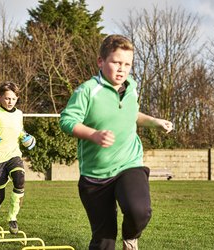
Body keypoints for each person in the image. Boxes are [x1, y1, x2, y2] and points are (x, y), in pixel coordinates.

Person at [59, 34, 173, 250]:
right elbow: (66, 121)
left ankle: (130, 238)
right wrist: (93, 134)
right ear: (101, 62)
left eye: (127, 64)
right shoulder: (87, 91)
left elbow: (132, 114)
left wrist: (154, 122)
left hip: (129, 163)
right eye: (116, 62)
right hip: (96, 175)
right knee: (104, 241)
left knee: (139, 210)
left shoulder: (132, 86)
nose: (122, 69)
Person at [0, 81, 36, 234]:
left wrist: (27, 138)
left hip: (14, 155)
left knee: (20, 180)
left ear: (17, 98)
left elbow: (20, 131)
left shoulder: (19, 114)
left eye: (13, 98)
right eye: (7, 98)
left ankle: (12, 218)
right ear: (0, 98)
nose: (10, 101)